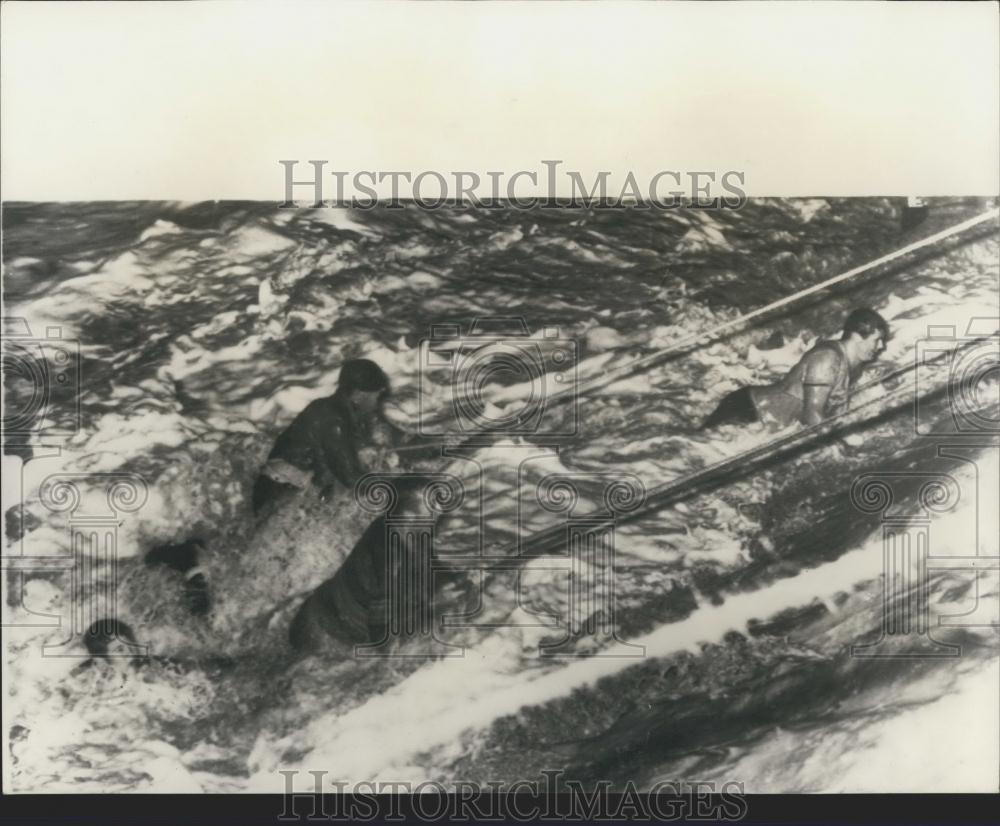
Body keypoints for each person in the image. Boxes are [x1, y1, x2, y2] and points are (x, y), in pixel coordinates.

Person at [702, 308, 890, 430]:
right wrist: (840, 444)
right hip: (749, 410)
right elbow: (812, 415)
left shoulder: (851, 364)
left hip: (764, 422)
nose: (881, 346)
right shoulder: (828, 359)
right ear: (857, 337)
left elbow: (833, 409)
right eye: (876, 340)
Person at [251, 358, 392, 515]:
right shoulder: (333, 418)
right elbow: (350, 477)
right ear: (358, 395)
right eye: (375, 396)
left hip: (280, 486)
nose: (377, 402)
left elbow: (338, 451)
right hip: (279, 492)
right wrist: (394, 488)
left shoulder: (332, 408)